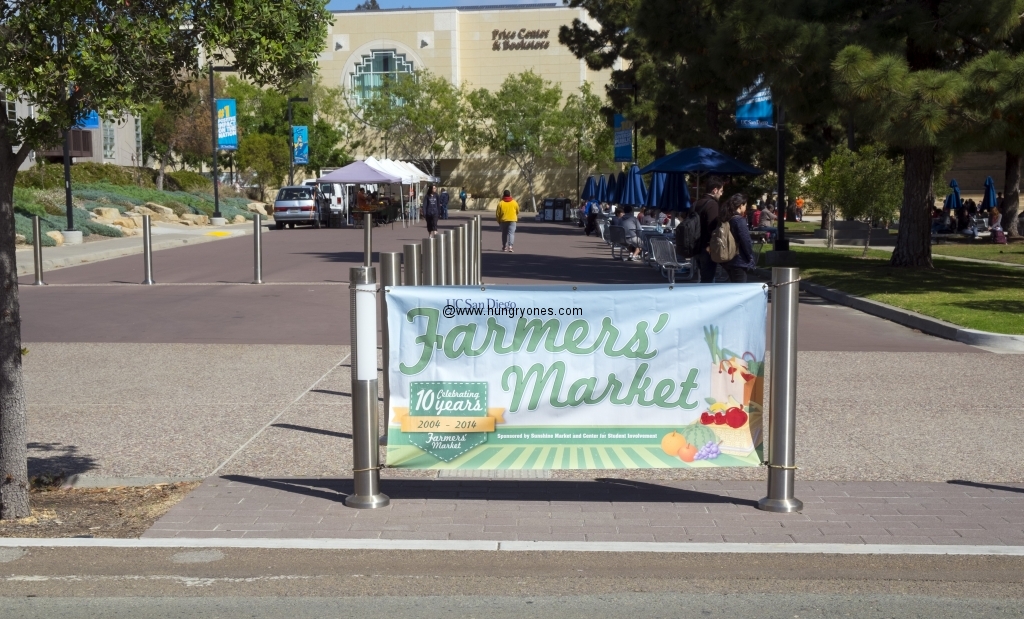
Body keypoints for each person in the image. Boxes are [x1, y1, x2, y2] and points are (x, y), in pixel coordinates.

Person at [694, 177, 725, 283]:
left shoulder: (696, 204)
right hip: (707, 247)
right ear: (714, 190)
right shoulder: (712, 204)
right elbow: (713, 227)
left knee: (704, 278)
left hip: (695, 246)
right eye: (721, 191)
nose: (721, 194)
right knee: (708, 281)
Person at [720, 194, 756, 283]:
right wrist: (750, 256)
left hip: (727, 257)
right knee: (739, 288)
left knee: (733, 285)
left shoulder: (726, 218)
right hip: (739, 259)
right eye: (745, 206)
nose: (745, 208)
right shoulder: (739, 220)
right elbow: (745, 239)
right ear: (741, 205)